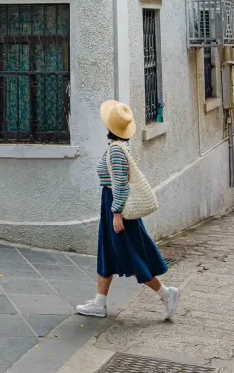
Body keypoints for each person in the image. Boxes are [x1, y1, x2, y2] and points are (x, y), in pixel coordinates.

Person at [76, 100, 180, 320]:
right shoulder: (119, 148)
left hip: (118, 210)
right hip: (112, 207)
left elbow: (120, 185)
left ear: (109, 127)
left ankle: (166, 293)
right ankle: (99, 303)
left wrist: (115, 213)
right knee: (108, 252)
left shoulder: (115, 151)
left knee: (133, 257)